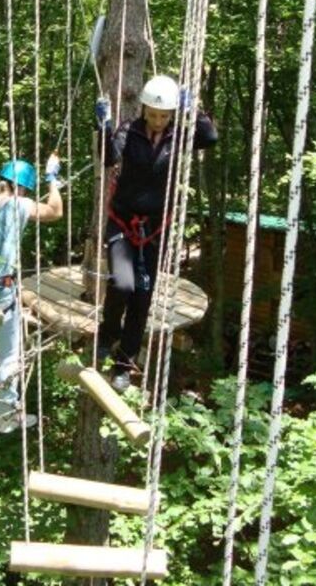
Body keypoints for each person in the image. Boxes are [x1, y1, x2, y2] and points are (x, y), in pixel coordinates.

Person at [95, 75, 217, 393]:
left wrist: (193, 109)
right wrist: (103, 127)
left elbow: (210, 138)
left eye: (164, 116)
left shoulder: (178, 136)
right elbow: (109, 157)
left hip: (153, 228)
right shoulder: (128, 131)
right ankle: (107, 335)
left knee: (142, 297)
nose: (159, 121)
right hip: (123, 222)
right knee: (122, 283)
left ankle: (124, 365)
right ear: (144, 110)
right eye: (153, 114)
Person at [0, 154, 63, 433]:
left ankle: (7, 411)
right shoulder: (20, 204)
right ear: (22, 189)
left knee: (5, 327)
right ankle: (6, 417)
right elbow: (55, 212)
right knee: (10, 357)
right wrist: (52, 179)